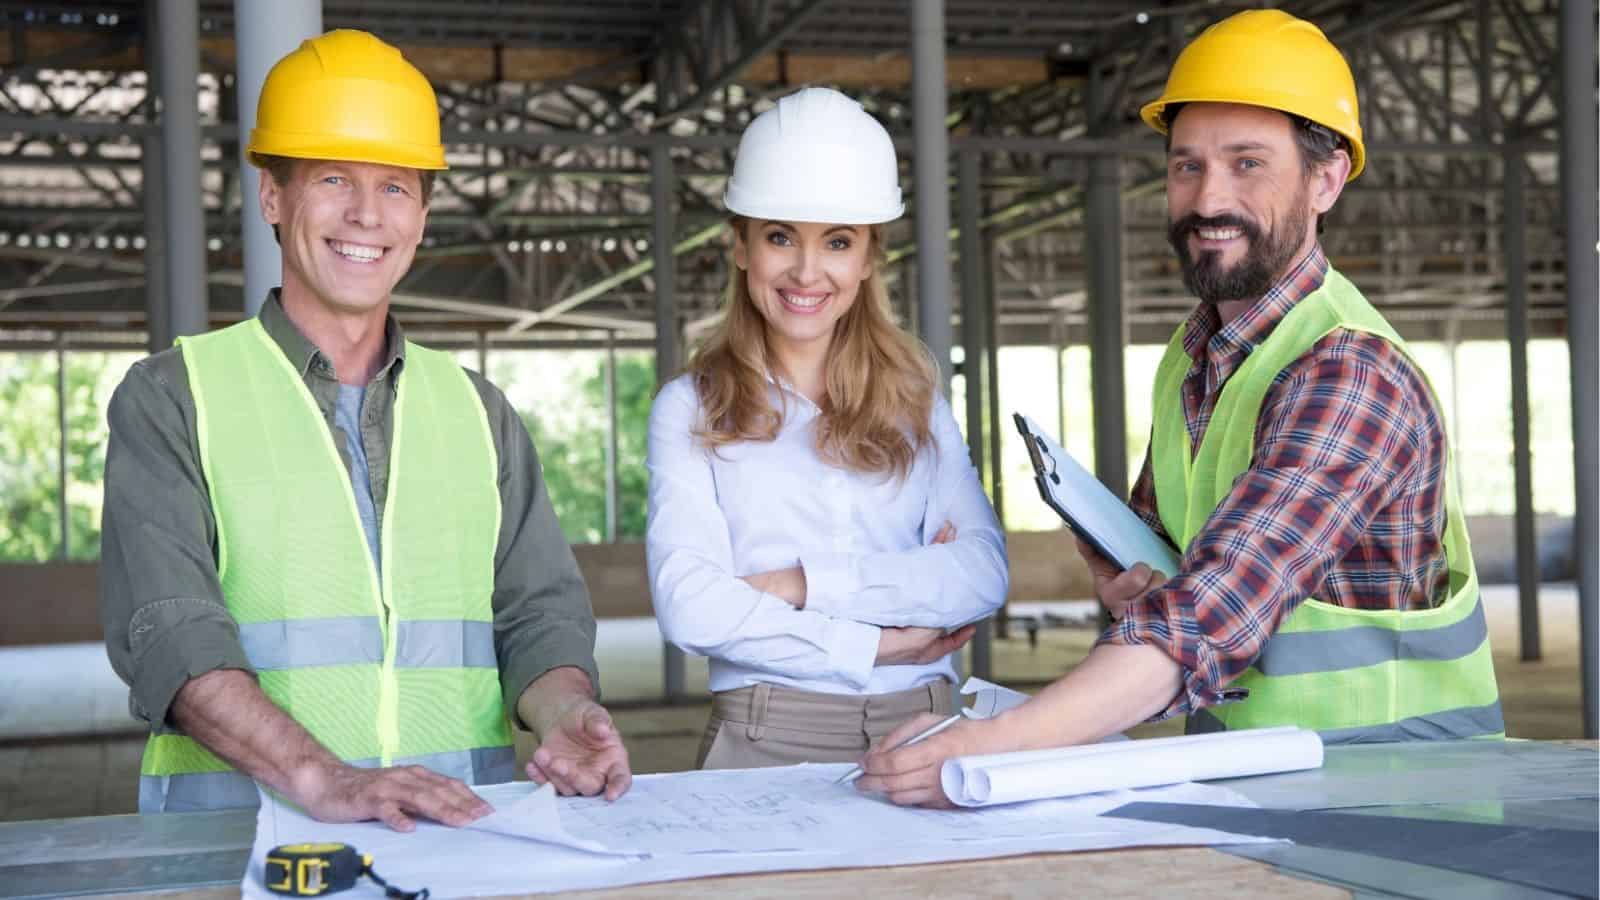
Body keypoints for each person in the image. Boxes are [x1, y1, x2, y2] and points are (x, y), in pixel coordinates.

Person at [858, 9, 1503, 807]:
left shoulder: (1350, 372)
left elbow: (1201, 616)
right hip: (1260, 782)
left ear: (1327, 179)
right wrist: (1134, 566)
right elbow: (1182, 574)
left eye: (1247, 164)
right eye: (1186, 166)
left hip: (1401, 799)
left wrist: (986, 748)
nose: (1209, 198)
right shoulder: (1194, 358)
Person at [100, 30, 631, 829]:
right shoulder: (173, 398)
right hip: (237, 846)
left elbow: (537, 615)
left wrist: (562, 712)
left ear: (421, 213)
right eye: (333, 179)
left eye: (394, 187)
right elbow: (171, 634)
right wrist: (325, 779)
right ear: (273, 197)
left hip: (459, 841)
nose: (365, 215)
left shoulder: (479, 413)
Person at [646, 87, 1009, 769]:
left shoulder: (917, 399)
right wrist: (875, 642)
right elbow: (691, 609)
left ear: (869, 256)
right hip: (763, 736)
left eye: (837, 242)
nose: (807, 272)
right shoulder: (691, 408)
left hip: (926, 729)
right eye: (781, 236)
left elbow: (981, 575)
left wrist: (796, 586)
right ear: (742, 247)